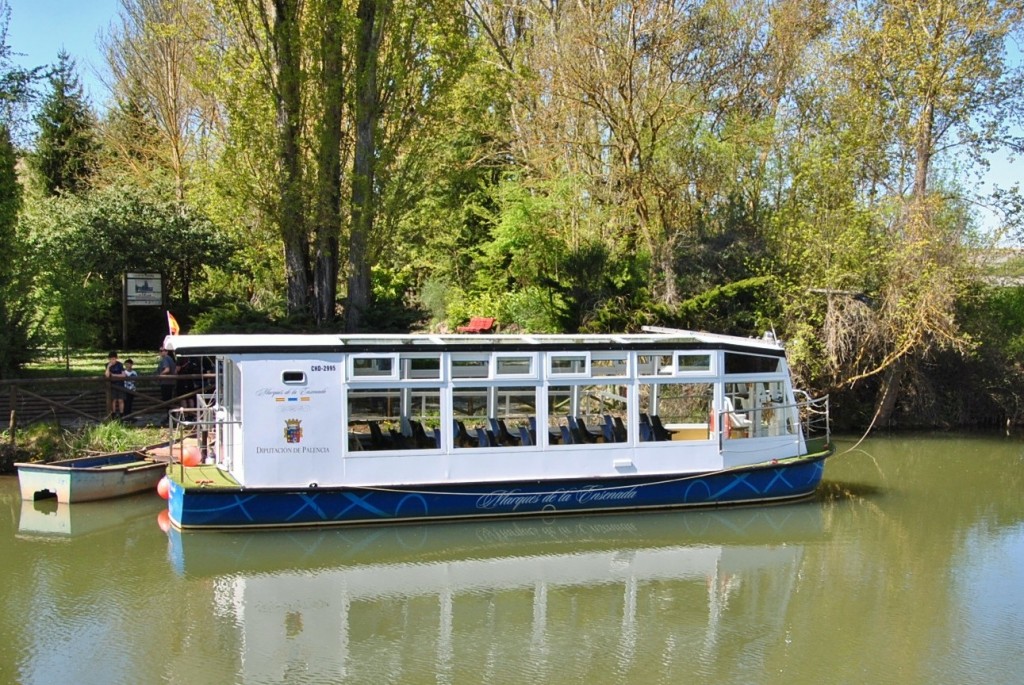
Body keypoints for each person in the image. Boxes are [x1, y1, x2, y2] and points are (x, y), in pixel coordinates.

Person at [105, 351, 126, 420]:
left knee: (121, 400)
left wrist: (114, 375)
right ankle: (113, 415)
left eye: (114, 359)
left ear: (116, 358)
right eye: (111, 359)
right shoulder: (107, 365)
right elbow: (107, 375)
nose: (112, 360)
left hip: (120, 384)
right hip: (112, 385)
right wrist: (108, 367)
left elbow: (123, 375)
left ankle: (121, 415)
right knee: (113, 400)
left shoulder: (120, 365)